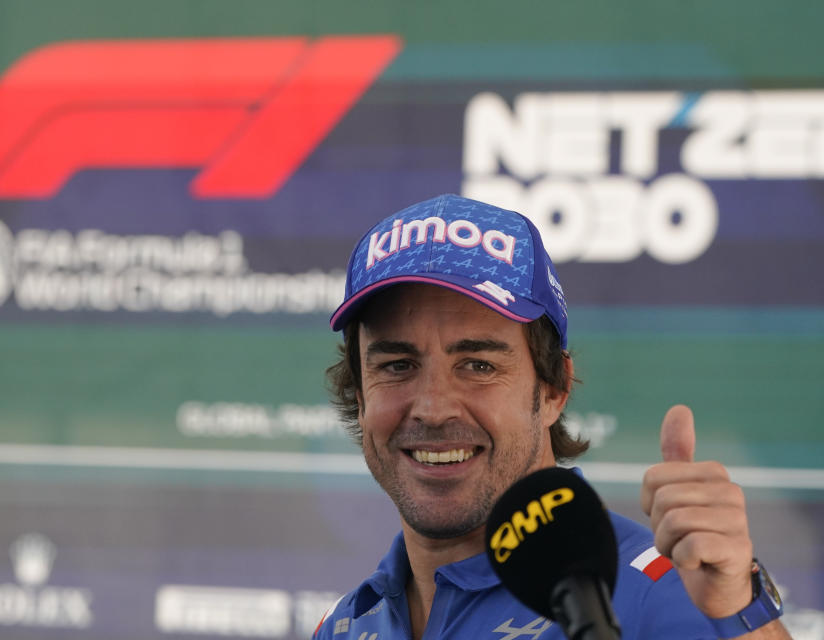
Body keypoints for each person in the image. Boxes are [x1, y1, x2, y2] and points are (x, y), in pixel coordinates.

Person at [314, 194, 790, 639]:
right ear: (359, 395)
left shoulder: (660, 596)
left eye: (478, 365)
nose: (434, 408)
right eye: (397, 366)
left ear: (554, 387)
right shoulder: (346, 623)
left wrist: (736, 613)